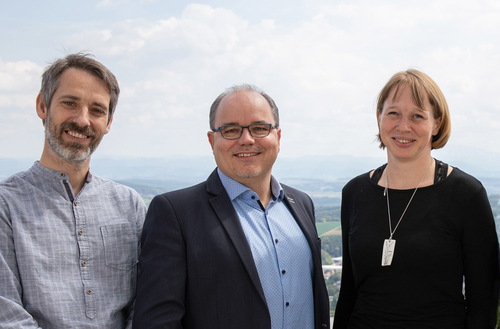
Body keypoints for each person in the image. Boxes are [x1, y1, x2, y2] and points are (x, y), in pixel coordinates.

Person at [133, 84, 330, 329]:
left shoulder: (301, 204)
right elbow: (157, 321)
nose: (246, 139)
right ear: (212, 140)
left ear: (277, 137)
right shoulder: (175, 213)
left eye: (259, 128)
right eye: (231, 130)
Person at [333, 69, 500, 328]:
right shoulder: (354, 193)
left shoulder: (466, 195)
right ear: (379, 117)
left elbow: (483, 303)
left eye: (417, 116)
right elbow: (349, 293)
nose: (403, 126)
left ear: (437, 123)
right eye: (393, 113)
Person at [0, 53, 146, 328]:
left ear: (109, 123)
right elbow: (6, 315)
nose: (82, 120)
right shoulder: (5, 204)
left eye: (97, 110)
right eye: (70, 103)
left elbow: (146, 302)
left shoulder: (130, 205)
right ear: (43, 106)